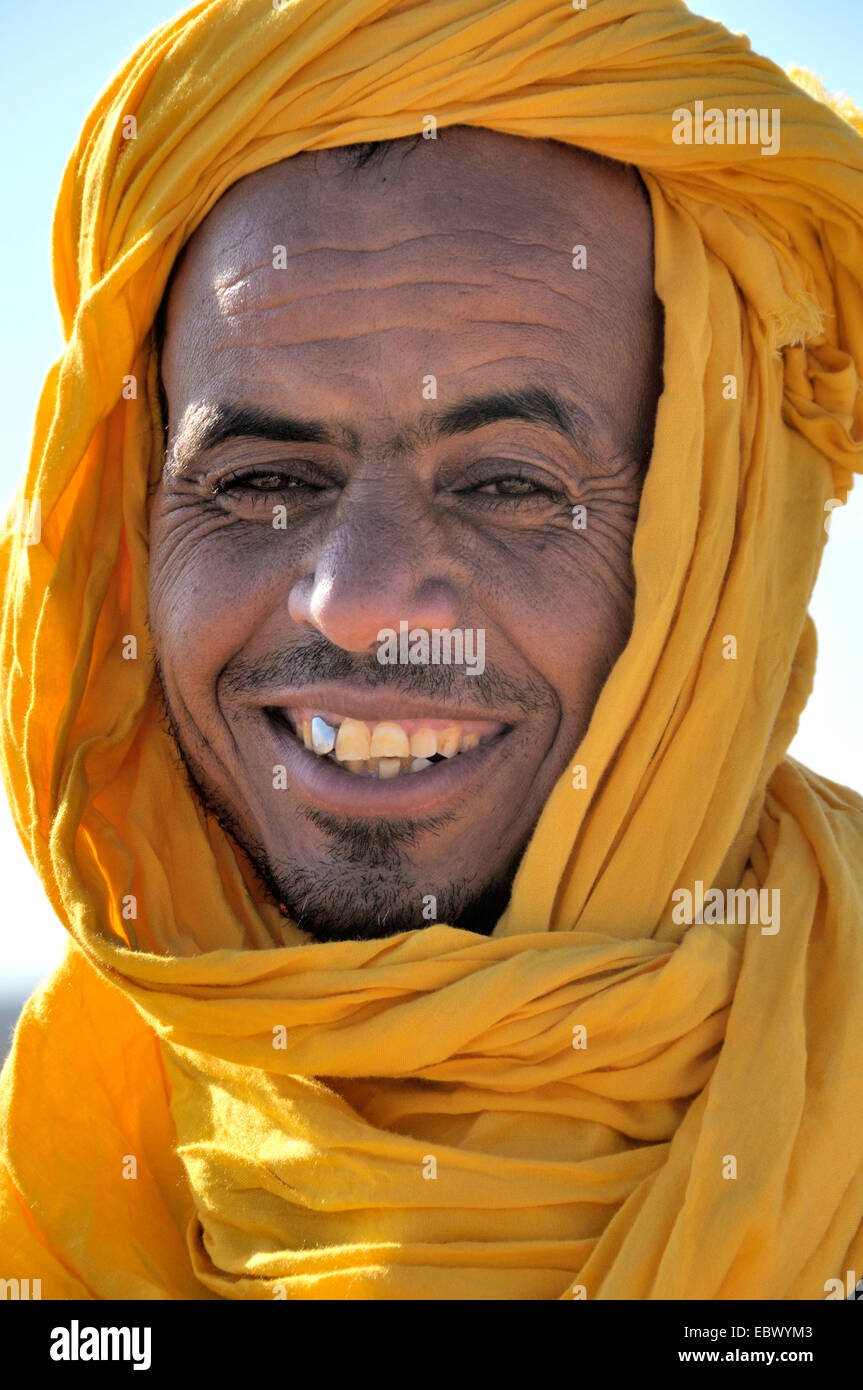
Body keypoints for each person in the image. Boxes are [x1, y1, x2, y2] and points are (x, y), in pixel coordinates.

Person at [1, 0, 862, 1301]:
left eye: (510, 484)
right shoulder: (60, 1156)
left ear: (720, 543)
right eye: (263, 477)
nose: (358, 601)